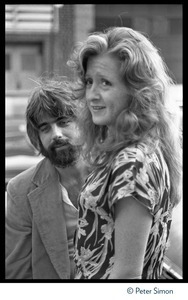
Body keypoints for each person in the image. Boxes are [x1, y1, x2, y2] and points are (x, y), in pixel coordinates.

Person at [67, 26, 182, 279]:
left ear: (135, 90)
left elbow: (127, 277)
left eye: (105, 83)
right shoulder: (145, 148)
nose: (91, 95)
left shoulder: (133, 162)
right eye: (89, 82)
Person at [5, 77, 88, 279]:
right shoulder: (20, 190)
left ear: (84, 123)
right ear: (37, 138)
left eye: (63, 122)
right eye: (45, 128)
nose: (56, 134)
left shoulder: (115, 174)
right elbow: (17, 272)